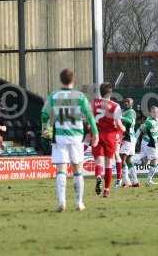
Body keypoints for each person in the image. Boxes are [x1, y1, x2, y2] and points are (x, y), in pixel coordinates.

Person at [41, 68, 99, 212]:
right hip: (76, 137)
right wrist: (95, 133)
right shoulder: (80, 96)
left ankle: (62, 202)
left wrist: (45, 127)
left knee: (61, 170)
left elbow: (44, 114)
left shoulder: (54, 95)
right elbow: (90, 116)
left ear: (61, 80)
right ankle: (79, 202)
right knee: (78, 169)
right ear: (73, 80)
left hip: (60, 136)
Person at [91, 83, 125, 198]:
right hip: (110, 136)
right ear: (110, 93)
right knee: (109, 164)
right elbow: (119, 124)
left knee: (98, 162)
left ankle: (98, 176)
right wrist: (124, 128)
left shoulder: (93, 103)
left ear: (100, 92)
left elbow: (88, 119)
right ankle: (106, 190)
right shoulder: (115, 106)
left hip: (96, 134)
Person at [137, 106, 158, 186]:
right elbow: (141, 128)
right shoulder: (149, 122)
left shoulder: (155, 120)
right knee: (155, 160)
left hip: (145, 142)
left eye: (157, 112)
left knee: (144, 162)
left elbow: (154, 126)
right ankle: (149, 180)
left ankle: (130, 164)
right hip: (150, 144)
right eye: (154, 112)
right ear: (150, 113)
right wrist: (135, 139)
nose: (156, 114)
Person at [119, 98, 139, 187]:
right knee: (128, 160)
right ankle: (135, 181)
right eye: (125, 102)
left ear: (131, 104)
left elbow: (130, 121)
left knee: (122, 159)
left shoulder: (131, 111)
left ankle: (126, 182)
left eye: (128, 102)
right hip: (128, 138)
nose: (126, 103)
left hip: (128, 138)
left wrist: (120, 117)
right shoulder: (124, 111)